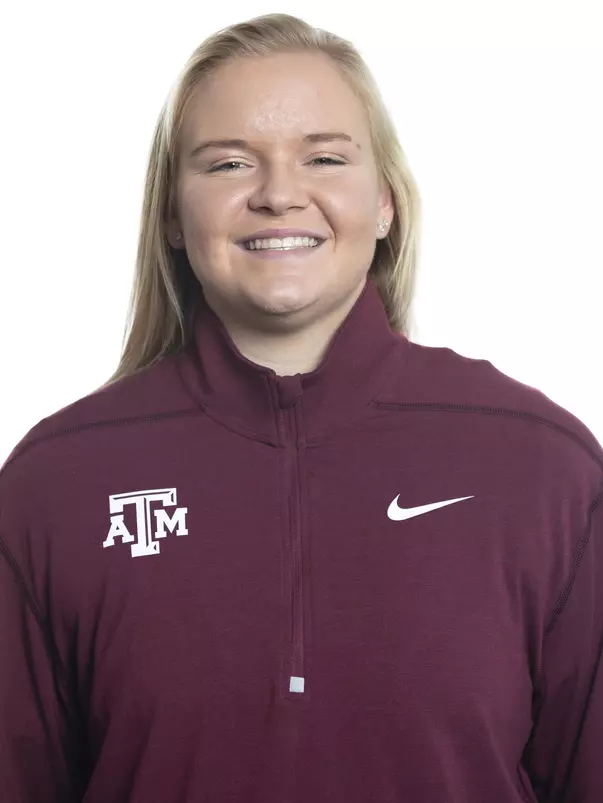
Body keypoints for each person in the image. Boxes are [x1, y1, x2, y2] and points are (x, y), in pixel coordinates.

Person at [0, 12, 601, 803]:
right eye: (226, 164)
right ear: (173, 217)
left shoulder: (540, 463)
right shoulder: (58, 480)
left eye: (323, 157)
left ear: (384, 203)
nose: (279, 194)